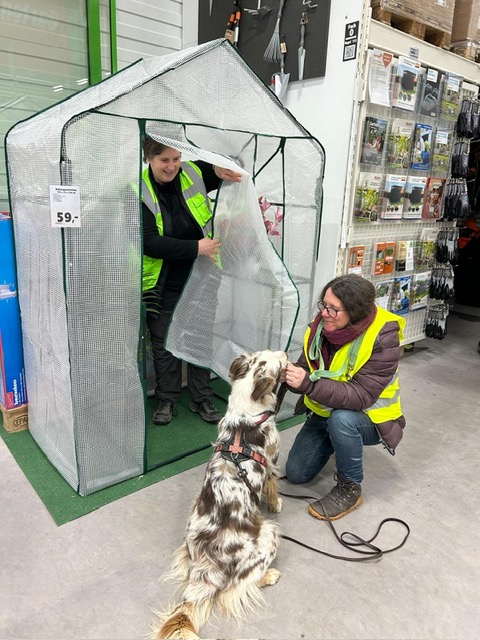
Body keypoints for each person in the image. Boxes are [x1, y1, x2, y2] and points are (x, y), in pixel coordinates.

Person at [284, 274, 406, 520]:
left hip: (371, 418)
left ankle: (350, 488)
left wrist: (308, 384)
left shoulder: (383, 336)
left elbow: (361, 396)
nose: (324, 313)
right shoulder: (320, 328)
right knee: (296, 473)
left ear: (355, 312)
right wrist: (286, 374)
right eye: (324, 305)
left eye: (333, 309)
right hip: (327, 411)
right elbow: (306, 368)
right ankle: (335, 438)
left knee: (342, 420)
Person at [141, 136, 242, 425]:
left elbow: (212, 171)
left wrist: (219, 170)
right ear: (149, 159)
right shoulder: (138, 190)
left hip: (203, 275)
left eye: (176, 159)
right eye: (164, 160)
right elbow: (149, 242)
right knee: (163, 342)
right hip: (161, 282)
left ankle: (201, 398)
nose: (172, 166)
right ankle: (167, 399)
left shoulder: (192, 172)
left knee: (199, 336)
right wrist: (196, 247)